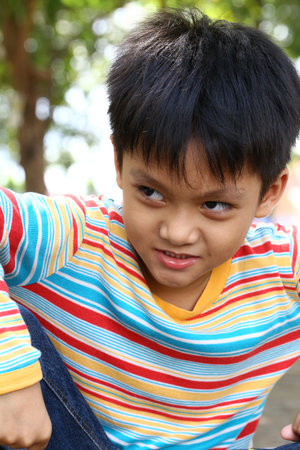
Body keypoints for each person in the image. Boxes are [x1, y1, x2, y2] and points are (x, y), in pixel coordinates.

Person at [0, 7, 300, 450]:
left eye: (214, 204)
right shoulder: (76, 236)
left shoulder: (281, 267)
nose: (178, 232)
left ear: (270, 193)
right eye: (152, 193)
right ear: (119, 163)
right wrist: (9, 369)